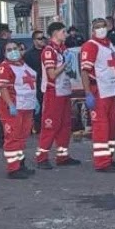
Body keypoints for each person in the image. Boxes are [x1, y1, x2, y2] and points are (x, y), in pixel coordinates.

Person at [80, 18, 115, 172]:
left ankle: (109, 157)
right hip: (98, 92)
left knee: (111, 128)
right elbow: (85, 71)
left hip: (111, 91)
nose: (101, 29)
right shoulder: (91, 46)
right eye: (98, 27)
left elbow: (113, 68)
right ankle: (102, 162)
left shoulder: (109, 45)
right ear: (93, 30)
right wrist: (87, 93)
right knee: (101, 128)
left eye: (103, 26)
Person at [36, 22, 78, 169]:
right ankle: (42, 158)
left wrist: (71, 70)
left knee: (65, 125)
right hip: (53, 92)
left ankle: (62, 156)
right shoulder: (49, 51)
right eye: (63, 32)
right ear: (55, 33)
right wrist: (65, 65)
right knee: (50, 125)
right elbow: (52, 74)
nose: (65, 34)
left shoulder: (63, 50)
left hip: (65, 91)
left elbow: (67, 71)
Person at [0, 40, 38, 179]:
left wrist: (35, 100)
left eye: (15, 48)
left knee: (22, 136)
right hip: (12, 106)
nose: (13, 51)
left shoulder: (23, 65)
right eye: (9, 49)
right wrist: (10, 105)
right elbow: (3, 87)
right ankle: (13, 168)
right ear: (4, 53)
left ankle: (20, 163)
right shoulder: (4, 67)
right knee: (13, 137)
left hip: (26, 106)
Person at [24, 29, 46, 132]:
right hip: (35, 84)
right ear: (34, 40)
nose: (42, 40)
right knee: (37, 107)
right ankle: (37, 127)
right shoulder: (28, 55)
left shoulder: (47, 51)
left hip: (47, 82)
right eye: (39, 38)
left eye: (43, 38)